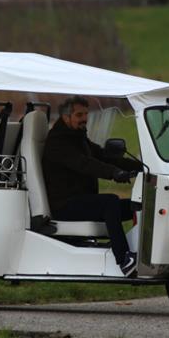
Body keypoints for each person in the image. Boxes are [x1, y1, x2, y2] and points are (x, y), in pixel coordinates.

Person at [42, 96, 143, 277]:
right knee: (110, 202)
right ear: (66, 117)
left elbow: (104, 156)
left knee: (137, 204)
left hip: (81, 201)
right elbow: (85, 164)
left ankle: (145, 251)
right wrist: (114, 173)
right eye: (79, 114)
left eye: (86, 114)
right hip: (65, 205)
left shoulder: (78, 137)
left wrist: (141, 167)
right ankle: (124, 260)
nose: (84, 118)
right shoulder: (57, 143)